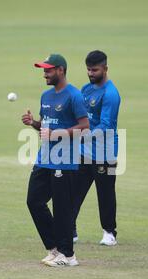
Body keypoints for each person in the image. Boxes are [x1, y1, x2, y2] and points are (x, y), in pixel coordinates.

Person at [22, 54, 89, 267]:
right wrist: (33, 122)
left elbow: (84, 126)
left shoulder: (74, 95)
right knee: (34, 200)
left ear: (60, 70)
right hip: (44, 159)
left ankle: (68, 256)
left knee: (62, 210)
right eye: (44, 70)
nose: (45, 74)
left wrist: (58, 133)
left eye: (48, 70)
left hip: (65, 161)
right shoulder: (46, 96)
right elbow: (46, 125)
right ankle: (54, 248)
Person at [73, 50, 121, 246]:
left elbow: (106, 125)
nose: (91, 73)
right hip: (84, 152)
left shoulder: (111, 94)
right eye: (88, 70)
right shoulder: (86, 89)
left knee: (105, 192)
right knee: (74, 191)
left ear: (105, 69)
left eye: (95, 70)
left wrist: (83, 137)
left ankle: (109, 232)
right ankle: (70, 229)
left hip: (105, 152)